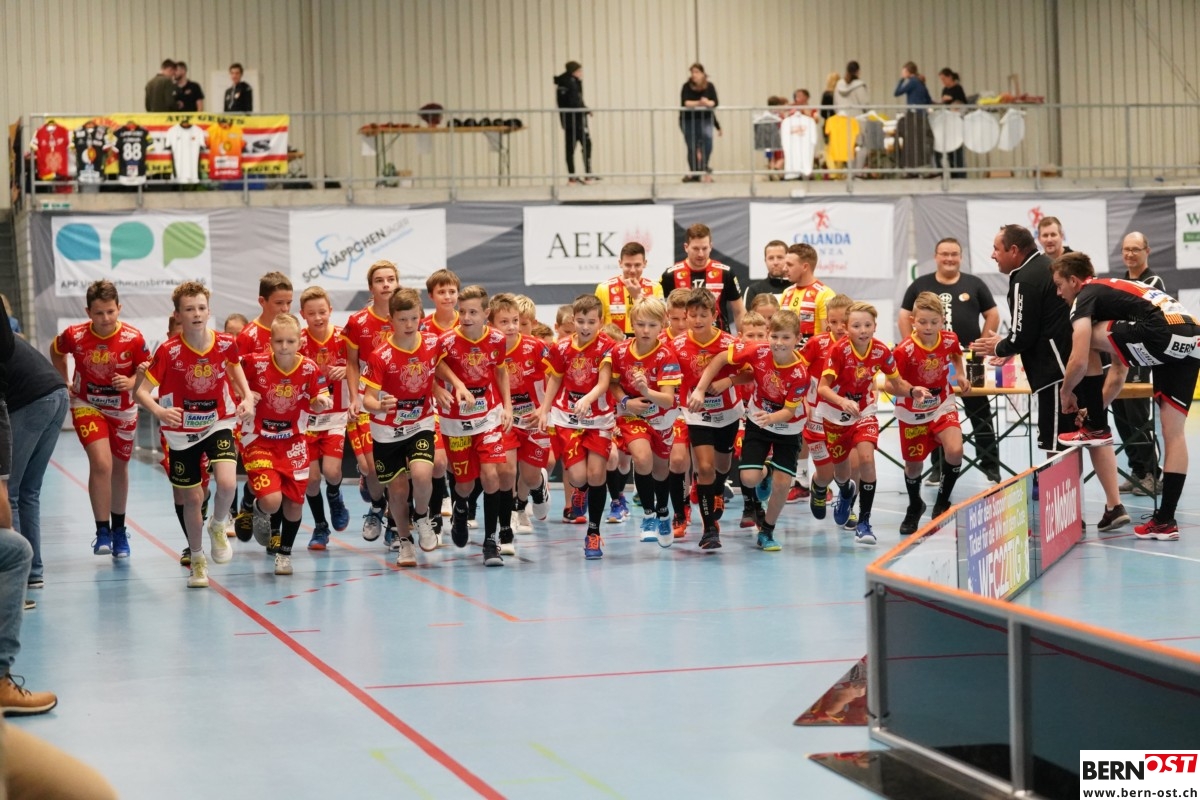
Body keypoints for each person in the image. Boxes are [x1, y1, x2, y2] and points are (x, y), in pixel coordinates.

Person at [1050, 252, 1195, 539]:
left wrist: (1066, 394)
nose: (1058, 292)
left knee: (1083, 338)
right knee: (1174, 434)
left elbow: (1078, 359)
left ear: (1074, 281)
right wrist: (1096, 409)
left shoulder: (1085, 296)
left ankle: (1096, 428)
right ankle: (1165, 521)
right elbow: (1118, 372)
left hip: (1163, 330)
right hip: (1192, 336)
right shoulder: (1117, 298)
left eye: (1059, 285)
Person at [136, 282, 254, 587]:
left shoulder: (225, 343)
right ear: (178, 315)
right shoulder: (168, 351)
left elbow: (236, 368)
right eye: (189, 309)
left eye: (201, 308)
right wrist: (160, 411)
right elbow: (141, 392)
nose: (197, 314)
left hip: (218, 421)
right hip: (180, 431)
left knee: (227, 483)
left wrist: (247, 397)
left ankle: (218, 524)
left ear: (209, 311)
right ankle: (198, 560)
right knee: (192, 498)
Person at [691, 310, 808, 552]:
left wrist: (771, 417)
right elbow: (721, 358)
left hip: (787, 426)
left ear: (797, 339)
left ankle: (767, 531)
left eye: (786, 338)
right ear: (768, 335)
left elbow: (789, 411)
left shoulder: (800, 374)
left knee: (782, 484)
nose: (779, 343)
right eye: (774, 336)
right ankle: (767, 471)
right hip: (758, 420)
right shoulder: (759, 350)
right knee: (748, 478)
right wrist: (701, 389)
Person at [814, 302, 930, 545]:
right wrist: (842, 401)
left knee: (867, 460)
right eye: (857, 326)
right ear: (847, 328)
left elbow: (896, 383)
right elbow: (823, 388)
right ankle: (845, 491)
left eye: (867, 325)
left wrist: (912, 391)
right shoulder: (838, 351)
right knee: (842, 474)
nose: (863, 330)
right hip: (834, 415)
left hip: (864, 412)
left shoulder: (881, 351)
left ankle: (864, 523)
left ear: (875, 326)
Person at [50, 280, 148, 565]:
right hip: (87, 405)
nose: (105, 318)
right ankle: (102, 531)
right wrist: (64, 380)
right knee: (102, 463)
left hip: (123, 411)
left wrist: (131, 381)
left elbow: (148, 370)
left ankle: (119, 531)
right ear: (88, 312)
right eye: (98, 313)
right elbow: (56, 350)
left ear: (119, 308)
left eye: (110, 311)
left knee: (119, 468)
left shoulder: (133, 338)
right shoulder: (75, 335)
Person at [899, 237, 1002, 484]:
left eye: (954, 254)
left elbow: (993, 314)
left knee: (980, 411)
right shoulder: (920, 285)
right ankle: (937, 468)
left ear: (961, 257)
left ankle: (991, 465)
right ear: (936, 256)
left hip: (968, 359)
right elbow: (904, 316)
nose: (949, 258)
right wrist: (913, 347)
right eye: (944, 254)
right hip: (929, 362)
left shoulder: (974, 284)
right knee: (933, 412)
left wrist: (982, 344)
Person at [970, 224, 1075, 455]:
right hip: (1071, 367)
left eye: (997, 249)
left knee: (1058, 446)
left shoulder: (1025, 279)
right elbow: (1034, 328)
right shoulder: (1045, 266)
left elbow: (1022, 335)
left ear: (1014, 250)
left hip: (1057, 375)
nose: (992, 255)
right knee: (1082, 441)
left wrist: (1000, 347)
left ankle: (1057, 482)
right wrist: (1008, 346)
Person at [239, 314, 331, 575]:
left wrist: (319, 402)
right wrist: (244, 393)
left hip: (294, 441)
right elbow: (228, 372)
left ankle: (284, 554)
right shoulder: (254, 363)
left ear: (300, 342)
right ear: (270, 342)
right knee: (272, 502)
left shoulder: (309, 368)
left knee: (294, 503)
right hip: (259, 439)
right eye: (279, 341)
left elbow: (320, 395)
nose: (284, 346)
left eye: (290, 341)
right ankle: (256, 507)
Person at [361, 289, 442, 568]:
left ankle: (422, 516)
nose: (409, 325)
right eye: (402, 319)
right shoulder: (380, 356)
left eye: (414, 318)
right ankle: (405, 541)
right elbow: (368, 399)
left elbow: (438, 367)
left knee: (422, 474)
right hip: (387, 431)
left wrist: (446, 388)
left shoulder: (431, 342)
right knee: (396, 492)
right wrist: (379, 406)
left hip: (420, 423)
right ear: (390, 320)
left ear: (421, 316)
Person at [534, 294, 616, 559]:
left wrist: (588, 399)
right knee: (579, 477)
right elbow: (555, 379)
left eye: (591, 322)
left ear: (600, 321)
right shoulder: (562, 348)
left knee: (596, 475)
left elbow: (604, 383)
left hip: (599, 417)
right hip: (567, 417)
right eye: (580, 321)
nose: (585, 327)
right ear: (573, 320)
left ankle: (593, 533)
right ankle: (579, 492)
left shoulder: (608, 346)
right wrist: (544, 409)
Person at [437, 285, 514, 566]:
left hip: (488, 416)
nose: (466, 317)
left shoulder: (496, 339)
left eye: (473, 312)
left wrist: (507, 406)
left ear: (486, 313)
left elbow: (501, 370)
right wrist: (455, 385)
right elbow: (435, 366)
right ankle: (460, 508)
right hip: (455, 421)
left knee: (492, 476)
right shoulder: (446, 341)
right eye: (462, 312)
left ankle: (490, 541)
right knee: (465, 484)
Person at [893, 293, 970, 535]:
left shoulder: (949, 339)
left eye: (934, 322)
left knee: (955, 450)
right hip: (912, 410)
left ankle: (942, 502)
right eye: (923, 322)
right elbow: (890, 385)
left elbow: (956, 354)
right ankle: (915, 505)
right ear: (913, 320)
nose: (928, 327)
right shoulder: (904, 350)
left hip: (941, 404)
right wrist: (912, 391)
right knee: (914, 467)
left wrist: (960, 374)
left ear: (943, 320)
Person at [674, 288, 743, 550]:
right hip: (696, 414)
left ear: (715, 315)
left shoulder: (729, 343)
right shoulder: (677, 345)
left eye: (704, 315)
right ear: (686, 316)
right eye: (693, 315)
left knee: (722, 466)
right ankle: (709, 529)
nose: (698, 320)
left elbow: (750, 373)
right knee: (704, 468)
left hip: (727, 413)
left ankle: (716, 491)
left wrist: (728, 381)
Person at [611, 297, 682, 547]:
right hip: (632, 415)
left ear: (662, 325)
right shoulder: (620, 351)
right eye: (640, 324)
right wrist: (625, 401)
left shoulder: (666, 355)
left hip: (661, 418)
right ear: (632, 324)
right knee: (642, 459)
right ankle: (649, 516)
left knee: (661, 470)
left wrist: (646, 391)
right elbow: (613, 383)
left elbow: (667, 399)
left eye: (652, 325)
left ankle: (663, 512)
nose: (645, 330)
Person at [233, 272, 294, 544]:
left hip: (286, 418)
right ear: (262, 301)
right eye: (279, 303)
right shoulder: (248, 336)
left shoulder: (293, 330)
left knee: (283, 475)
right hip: (256, 422)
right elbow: (231, 373)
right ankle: (251, 505)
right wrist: (246, 392)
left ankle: (268, 525)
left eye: (289, 303)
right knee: (264, 471)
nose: (285, 309)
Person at [342, 260, 399, 542]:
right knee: (372, 467)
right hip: (368, 397)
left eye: (391, 279)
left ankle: (395, 522)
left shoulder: (408, 316)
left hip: (399, 399)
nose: (386, 284)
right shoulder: (357, 322)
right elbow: (351, 363)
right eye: (380, 280)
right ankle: (377, 505)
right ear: (371, 287)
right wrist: (354, 397)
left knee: (401, 466)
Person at [490, 294, 552, 544]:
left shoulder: (535, 346)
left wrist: (545, 408)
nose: (511, 327)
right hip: (504, 418)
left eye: (515, 321)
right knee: (506, 470)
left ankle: (539, 487)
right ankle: (510, 517)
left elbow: (557, 376)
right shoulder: (487, 349)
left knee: (530, 476)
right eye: (504, 322)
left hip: (533, 418)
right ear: (491, 324)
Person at [780, 242, 836, 500]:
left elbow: (828, 338)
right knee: (796, 424)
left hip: (815, 375)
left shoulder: (825, 294)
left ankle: (824, 481)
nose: (784, 268)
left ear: (805, 266)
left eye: (789, 264)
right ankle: (801, 480)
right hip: (790, 370)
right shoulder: (787, 293)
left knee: (818, 427)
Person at [298, 286, 351, 551]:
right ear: (302, 315)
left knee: (332, 472)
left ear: (330, 310)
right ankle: (320, 526)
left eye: (322, 312)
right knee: (310, 479)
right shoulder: (297, 341)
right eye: (312, 313)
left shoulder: (344, 338)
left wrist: (347, 369)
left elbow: (364, 364)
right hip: (307, 419)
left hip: (336, 416)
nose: (318, 317)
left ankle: (335, 496)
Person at [1112, 232, 1164, 497]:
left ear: (1147, 251)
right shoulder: (1121, 282)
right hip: (1121, 355)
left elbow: (1135, 316)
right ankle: (1138, 471)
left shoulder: (1152, 281)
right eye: (1126, 249)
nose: (1129, 254)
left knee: (1139, 417)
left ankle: (1154, 474)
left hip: (1142, 358)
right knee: (1120, 413)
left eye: (1135, 249)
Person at [660, 223, 744, 333]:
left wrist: (742, 339)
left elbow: (739, 311)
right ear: (686, 247)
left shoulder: (725, 273)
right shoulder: (670, 275)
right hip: (683, 339)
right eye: (695, 248)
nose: (700, 254)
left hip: (719, 337)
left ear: (711, 247)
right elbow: (662, 314)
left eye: (704, 248)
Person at [596, 242, 664, 335]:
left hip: (645, 341)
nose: (632, 270)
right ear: (620, 263)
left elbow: (662, 322)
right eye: (628, 265)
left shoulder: (655, 287)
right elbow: (597, 324)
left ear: (645, 263)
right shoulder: (604, 288)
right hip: (614, 342)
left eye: (637, 265)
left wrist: (638, 297)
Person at [679, 63, 721, 182]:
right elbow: (685, 102)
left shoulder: (709, 86)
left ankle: (703, 166)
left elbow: (715, 102)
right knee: (692, 146)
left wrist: (707, 103)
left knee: (707, 142)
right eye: (692, 72)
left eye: (697, 72)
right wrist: (699, 103)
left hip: (705, 119)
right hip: (689, 120)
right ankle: (694, 172)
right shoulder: (686, 86)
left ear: (703, 74)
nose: (694, 75)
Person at [555, 60, 593, 184]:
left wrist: (584, 108)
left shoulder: (566, 82)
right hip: (576, 121)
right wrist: (584, 110)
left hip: (570, 121)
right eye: (579, 71)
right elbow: (573, 102)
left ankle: (573, 176)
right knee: (584, 145)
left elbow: (576, 101)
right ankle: (585, 175)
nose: (581, 73)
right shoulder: (570, 83)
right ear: (573, 72)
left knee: (572, 148)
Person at [742, 240, 792, 308]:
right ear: (765, 261)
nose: (775, 262)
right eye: (771, 258)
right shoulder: (754, 290)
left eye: (780, 257)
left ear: (788, 259)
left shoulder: (798, 287)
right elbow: (747, 315)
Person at [937, 68, 967, 177]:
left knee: (958, 150)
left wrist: (952, 101)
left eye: (944, 79)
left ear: (950, 77)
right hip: (948, 122)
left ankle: (961, 175)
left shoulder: (958, 89)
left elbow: (963, 103)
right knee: (949, 150)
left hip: (957, 122)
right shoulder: (945, 89)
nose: (943, 82)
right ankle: (953, 174)